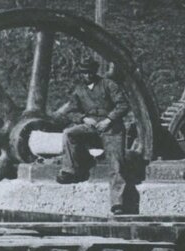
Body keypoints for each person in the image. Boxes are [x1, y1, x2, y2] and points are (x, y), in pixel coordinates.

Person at [53, 60, 134, 212]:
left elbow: (123, 105)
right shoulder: (79, 90)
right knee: (69, 133)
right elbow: (71, 110)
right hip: (90, 125)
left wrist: (109, 120)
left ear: (95, 71)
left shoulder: (109, 85)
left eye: (90, 72)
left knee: (116, 164)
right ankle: (71, 171)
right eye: (84, 72)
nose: (87, 75)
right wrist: (83, 119)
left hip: (112, 128)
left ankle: (118, 203)